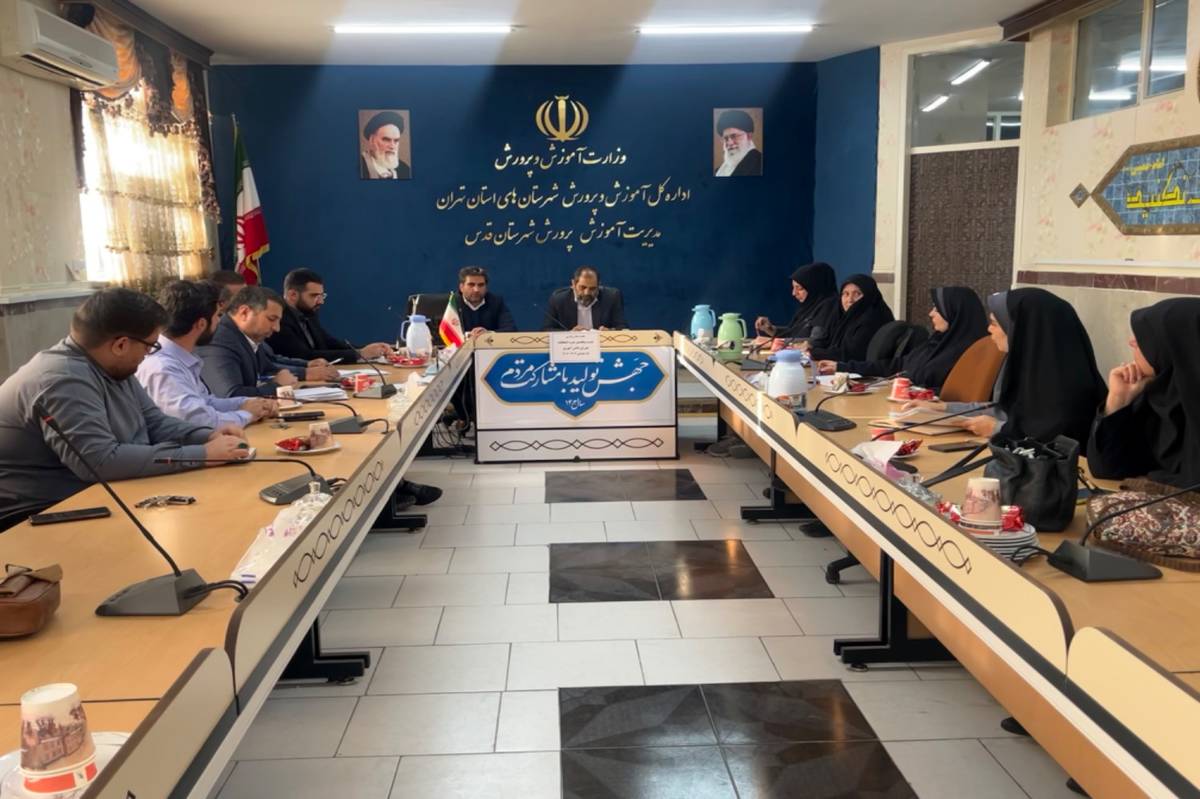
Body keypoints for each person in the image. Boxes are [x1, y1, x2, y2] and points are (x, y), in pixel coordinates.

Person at [0, 288, 250, 530]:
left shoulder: (110, 365)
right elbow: (100, 461)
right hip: (37, 513)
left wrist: (206, 435)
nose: (149, 355)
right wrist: (203, 454)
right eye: (150, 346)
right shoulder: (63, 379)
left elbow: (155, 422)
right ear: (120, 345)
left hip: (91, 494)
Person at [907, 288, 1106, 442]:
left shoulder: (1065, 385)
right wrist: (942, 408)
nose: (989, 329)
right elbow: (1003, 411)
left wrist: (997, 429)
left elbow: (1052, 438)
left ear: (1023, 330)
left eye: (995, 323)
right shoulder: (1028, 367)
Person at [1089, 298, 1200, 488]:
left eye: (1146, 338)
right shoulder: (1155, 398)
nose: (1132, 342)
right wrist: (1118, 401)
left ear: (1176, 346)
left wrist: (1148, 482)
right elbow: (1105, 468)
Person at [138, 280, 277, 428]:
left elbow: (206, 403)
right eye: (218, 315)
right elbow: (198, 420)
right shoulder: (163, 368)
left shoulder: (179, 358)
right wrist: (248, 415)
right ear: (201, 324)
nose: (219, 321)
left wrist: (245, 403)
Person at [816, 286, 988, 392]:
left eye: (937, 309)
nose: (931, 313)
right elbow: (897, 365)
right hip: (907, 410)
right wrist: (842, 367)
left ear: (954, 313)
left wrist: (914, 393)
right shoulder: (936, 342)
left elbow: (955, 395)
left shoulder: (971, 354)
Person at [201, 286, 336, 398]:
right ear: (244, 312)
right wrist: (276, 386)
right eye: (271, 319)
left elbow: (268, 368)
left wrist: (303, 373)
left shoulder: (246, 336)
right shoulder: (219, 341)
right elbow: (230, 395)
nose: (276, 328)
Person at [268, 268, 393, 363]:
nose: (321, 301)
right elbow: (304, 356)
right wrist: (360, 354)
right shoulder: (278, 319)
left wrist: (370, 349)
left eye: (322, 296)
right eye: (314, 296)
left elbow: (329, 343)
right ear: (293, 295)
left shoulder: (308, 312)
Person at [804, 274, 894, 362]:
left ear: (869, 295)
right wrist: (811, 347)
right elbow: (830, 342)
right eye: (846, 294)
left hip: (862, 371)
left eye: (857, 294)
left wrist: (813, 353)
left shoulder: (872, 320)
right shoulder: (845, 318)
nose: (850, 300)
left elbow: (851, 354)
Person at [754, 262, 839, 344]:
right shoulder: (809, 307)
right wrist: (770, 329)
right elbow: (793, 333)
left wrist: (774, 342)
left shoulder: (828, 306)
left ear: (814, 287)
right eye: (793, 288)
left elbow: (815, 341)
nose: (794, 293)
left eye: (799, 288)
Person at [542, 266, 627, 331]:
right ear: (573, 284)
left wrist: (610, 332)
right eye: (582, 287)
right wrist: (569, 334)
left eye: (592, 288)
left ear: (599, 285)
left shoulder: (611, 297)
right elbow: (546, 330)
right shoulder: (558, 299)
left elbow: (623, 328)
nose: (587, 293)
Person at [454, 266, 517, 338]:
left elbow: (511, 330)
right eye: (471, 285)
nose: (476, 290)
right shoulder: (450, 303)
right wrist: (468, 335)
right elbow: (443, 333)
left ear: (486, 287)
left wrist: (488, 334)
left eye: (481, 285)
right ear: (461, 287)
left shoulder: (496, 302)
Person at [360, 111, 411, 180]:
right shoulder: (361, 166)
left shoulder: (405, 170)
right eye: (386, 140)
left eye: (396, 141)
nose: (392, 146)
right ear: (372, 140)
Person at [715, 109, 763, 177]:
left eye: (734, 136)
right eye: (725, 138)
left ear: (749, 136)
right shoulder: (718, 171)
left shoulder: (760, 164)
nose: (729, 143)